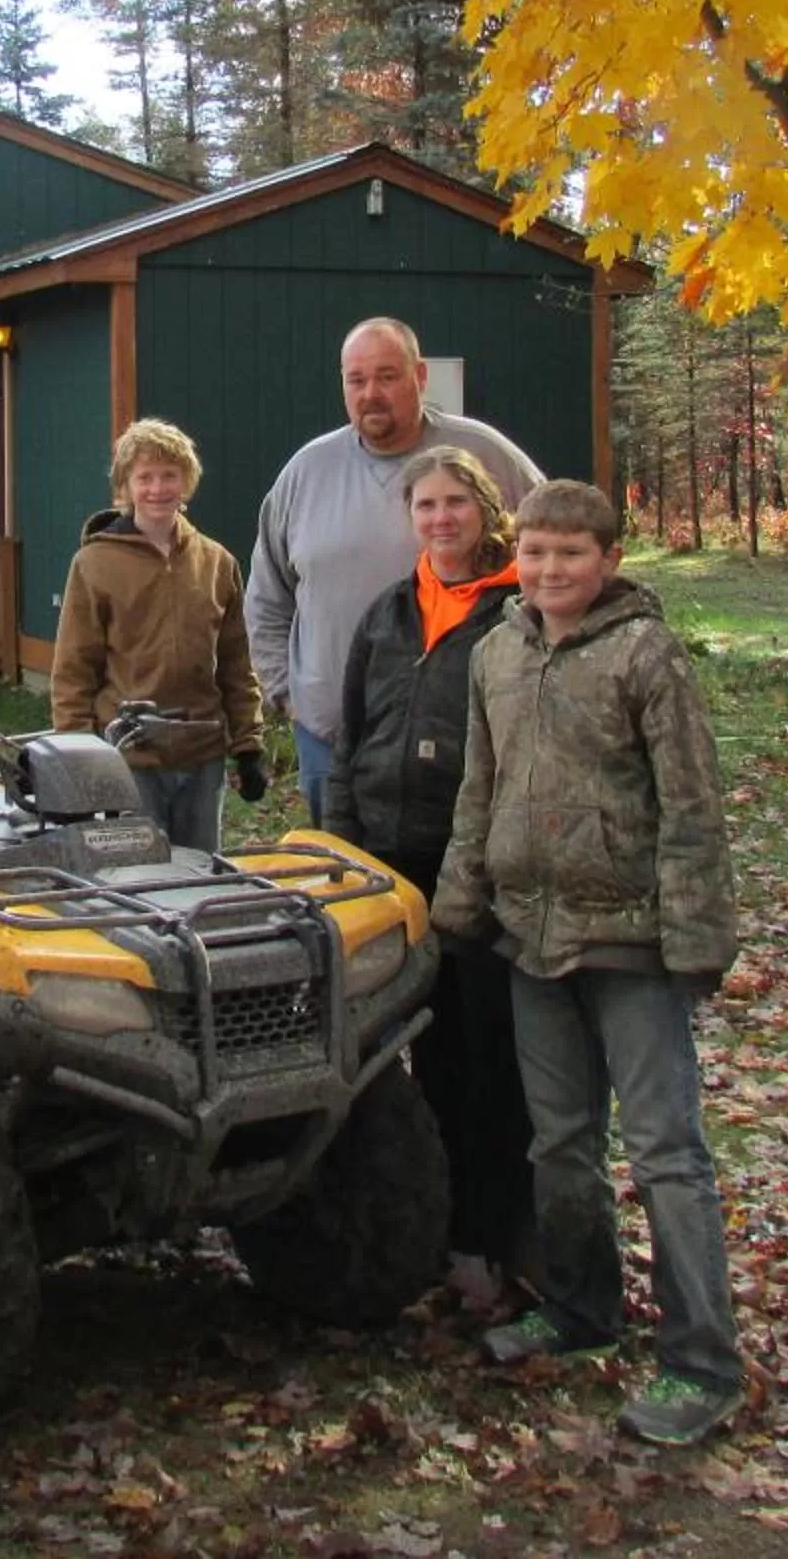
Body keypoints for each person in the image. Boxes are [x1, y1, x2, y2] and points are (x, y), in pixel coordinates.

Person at [431, 478, 746, 1450]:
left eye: (571, 554)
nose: (550, 570)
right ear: (513, 558)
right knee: (560, 1146)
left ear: (608, 562)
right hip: (532, 939)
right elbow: (478, 796)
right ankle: (580, 1311)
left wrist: (695, 943)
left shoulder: (646, 656)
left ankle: (702, 1362)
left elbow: (692, 808)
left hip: (635, 942)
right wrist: (458, 909)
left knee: (665, 1154)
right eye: (535, 553)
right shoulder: (496, 656)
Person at [325, 446, 536, 1314]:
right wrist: (340, 846)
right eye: (427, 506)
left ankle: (488, 1240)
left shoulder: (518, 612)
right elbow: (348, 737)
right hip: (383, 863)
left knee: (473, 1059)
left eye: (456, 503)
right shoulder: (388, 612)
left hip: (471, 869)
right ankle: (405, 1230)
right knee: (376, 1056)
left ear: (485, 510)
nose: (442, 519)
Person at [245, 317, 539, 821]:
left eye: (387, 376)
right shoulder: (306, 472)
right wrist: (289, 695)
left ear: (420, 377)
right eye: (356, 380)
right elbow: (267, 599)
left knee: (450, 884)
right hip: (328, 737)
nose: (370, 394)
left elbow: (551, 550)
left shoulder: (482, 454)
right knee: (348, 890)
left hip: (455, 740)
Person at [49, 417, 268, 854]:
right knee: (140, 883)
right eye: (144, 477)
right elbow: (73, 669)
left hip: (201, 755)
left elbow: (236, 665)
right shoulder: (94, 564)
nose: (157, 488)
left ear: (187, 482)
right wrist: (77, 755)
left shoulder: (217, 563)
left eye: (169, 475)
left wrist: (248, 744)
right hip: (130, 757)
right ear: (125, 486)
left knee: (199, 875)